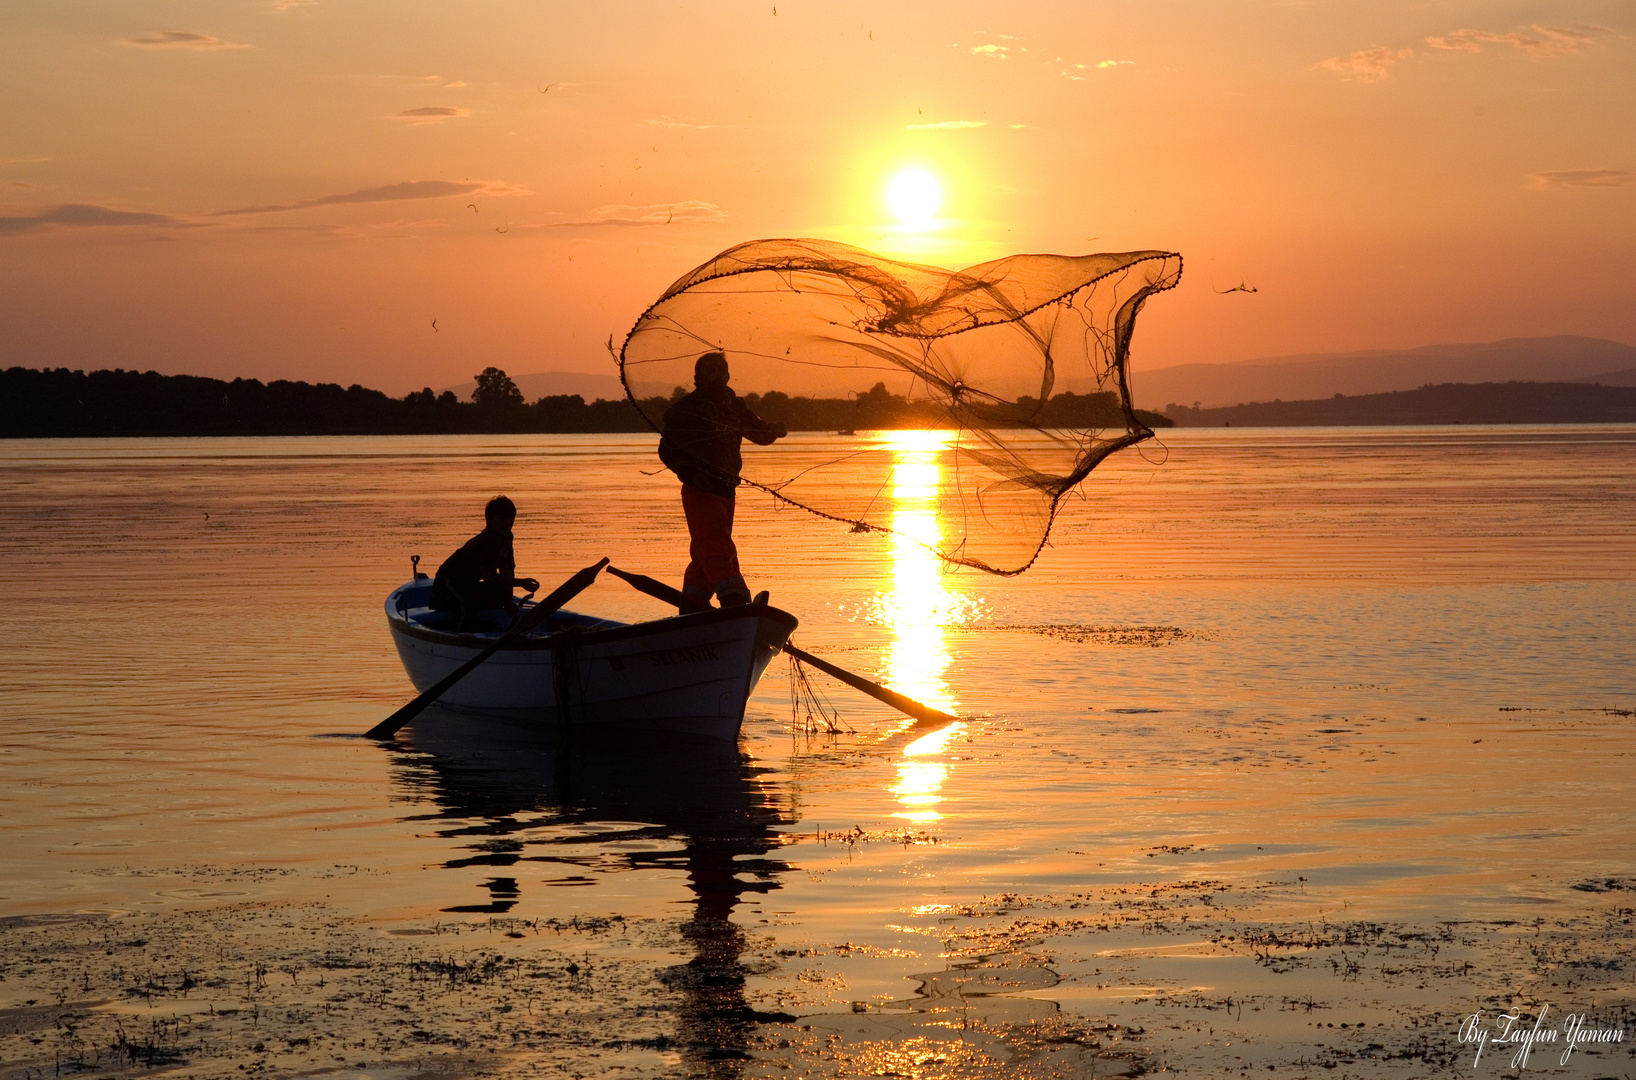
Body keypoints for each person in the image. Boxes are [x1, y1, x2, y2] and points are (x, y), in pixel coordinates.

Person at [658, 351, 787, 610]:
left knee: (704, 551)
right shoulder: (686, 410)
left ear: (728, 376)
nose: (718, 379)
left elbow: (758, 433)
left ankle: (692, 606)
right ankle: (735, 600)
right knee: (716, 545)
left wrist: (774, 430)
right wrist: (692, 474)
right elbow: (667, 451)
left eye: (722, 373)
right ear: (698, 378)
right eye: (711, 373)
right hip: (700, 491)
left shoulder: (733, 405)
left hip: (727, 489)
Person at [429, 495, 540, 631]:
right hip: (448, 582)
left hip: (470, 584)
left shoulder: (507, 538)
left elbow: (507, 569)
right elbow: (490, 578)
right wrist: (522, 583)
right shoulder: (484, 542)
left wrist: (509, 601)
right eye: (503, 518)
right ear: (491, 520)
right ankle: (462, 637)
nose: (508, 522)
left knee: (500, 595)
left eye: (511, 518)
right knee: (466, 606)